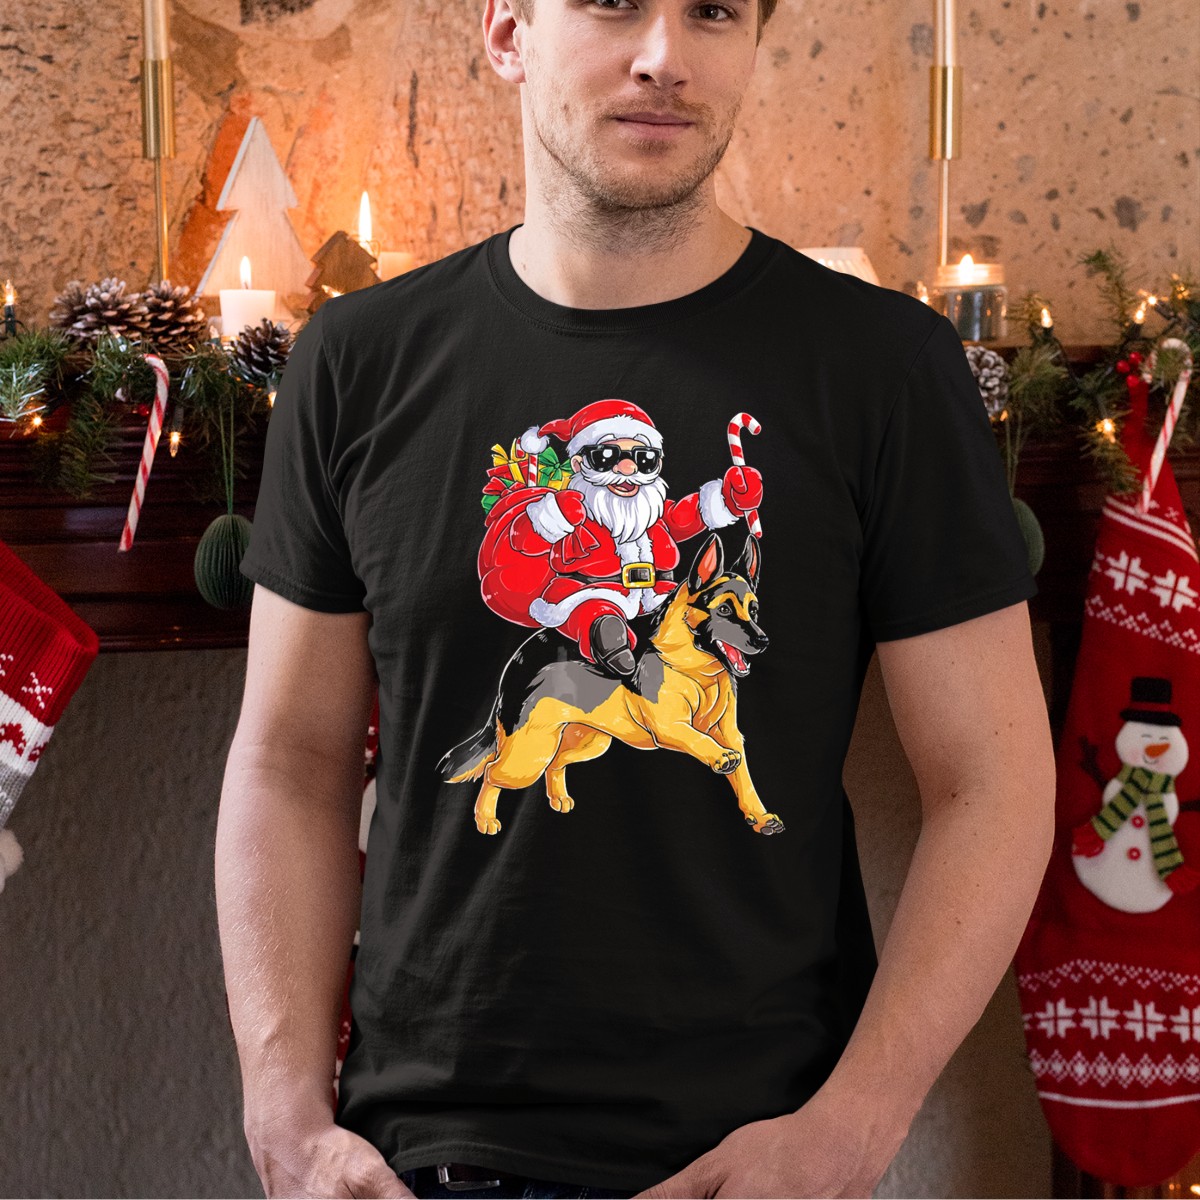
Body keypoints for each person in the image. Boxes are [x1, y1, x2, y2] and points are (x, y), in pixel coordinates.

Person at [215, 0, 1057, 1196]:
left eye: (712, 12)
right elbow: (289, 763)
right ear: (507, 32)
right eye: (614, 2)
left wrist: (856, 1123)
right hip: (431, 1151)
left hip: (759, 1149)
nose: (665, 55)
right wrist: (284, 1115)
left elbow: (992, 781)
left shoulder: (882, 368)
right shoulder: (359, 361)